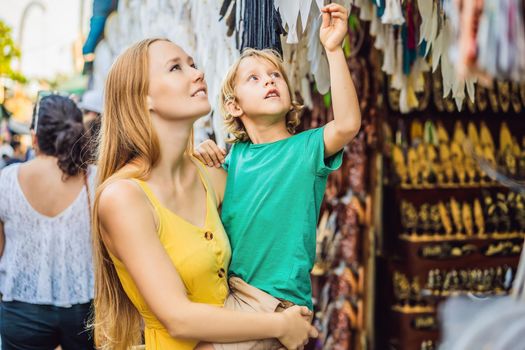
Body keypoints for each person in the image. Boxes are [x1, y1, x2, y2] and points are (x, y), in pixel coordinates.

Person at [91, 38, 317, 350]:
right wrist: (280, 324)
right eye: (176, 68)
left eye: (193, 64)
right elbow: (178, 318)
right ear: (143, 99)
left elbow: (277, 197)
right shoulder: (123, 198)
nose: (197, 74)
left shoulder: (211, 175)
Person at [194, 5, 361, 348]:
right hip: (231, 296)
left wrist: (332, 50)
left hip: (276, 305)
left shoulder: (306, 150)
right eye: (253, 78)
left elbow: (346, 124)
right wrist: (194, 156)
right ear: (233, 106)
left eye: (276, 75)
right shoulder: (235, 158)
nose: (269, 80)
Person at [0, 95, 95, 349]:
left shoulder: (6, 181)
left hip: (21, 306)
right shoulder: (95, 178)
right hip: (85, 308)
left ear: (35, 137)